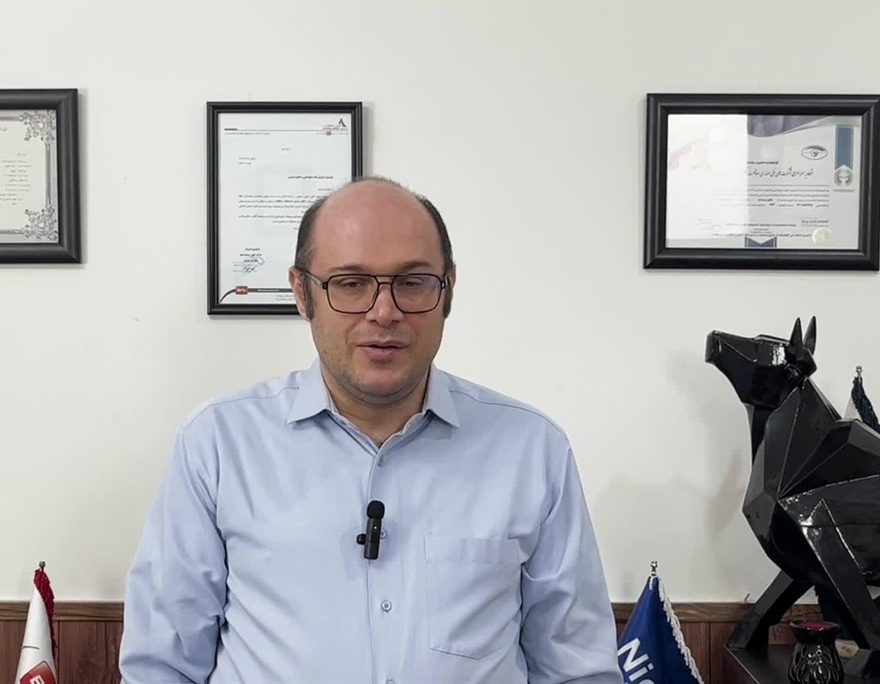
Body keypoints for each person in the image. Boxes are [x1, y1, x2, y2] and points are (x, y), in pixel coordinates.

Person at [118, 176, 621, 684]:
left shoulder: (532, 450)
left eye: (413, 282)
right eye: (351, 283)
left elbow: (577, 670)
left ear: (447, 291)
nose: (384, 312)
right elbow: (161, 666)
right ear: (302, 292)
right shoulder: (218, 445)